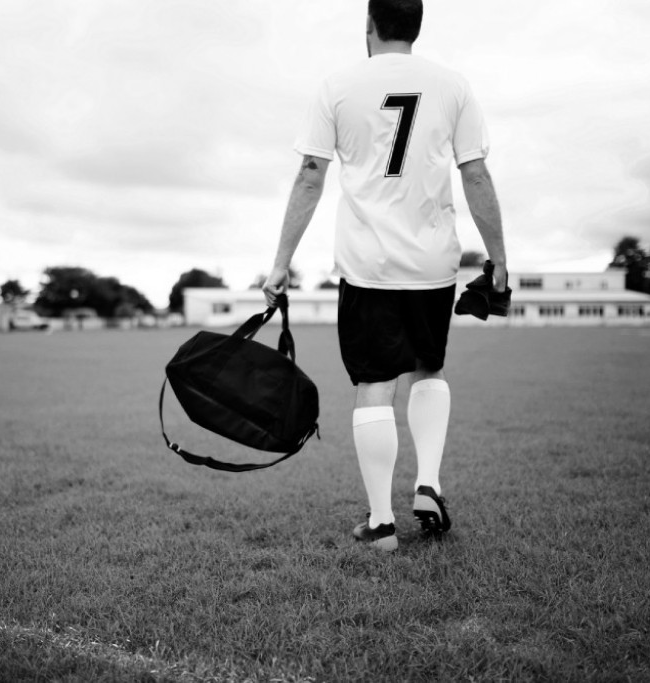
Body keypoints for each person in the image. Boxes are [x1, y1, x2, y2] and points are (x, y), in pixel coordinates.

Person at [262, 0, 508, 551]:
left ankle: (381, 524)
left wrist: (280, 262)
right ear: (416, 25)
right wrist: (500, 258)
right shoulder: (453, 85)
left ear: (369, 25)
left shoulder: (337, 86)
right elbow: (476, 175)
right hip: (433, 263)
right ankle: (429, 483)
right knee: (428, 369)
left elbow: (309, 177)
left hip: (368, 264)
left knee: (375, 385)